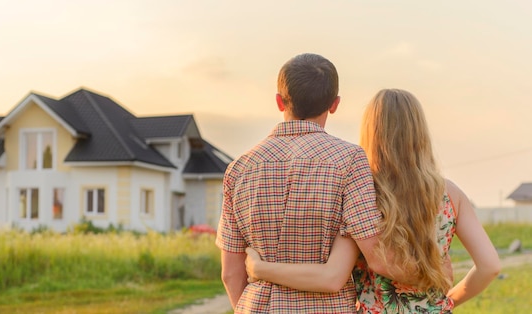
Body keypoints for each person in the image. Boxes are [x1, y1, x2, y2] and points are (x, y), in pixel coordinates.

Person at [244, 89, 501, 313]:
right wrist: (447, 302)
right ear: (420, 132)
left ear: (371, 131)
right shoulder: (451, 194)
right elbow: (489, 266)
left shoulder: (361, 191)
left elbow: (333, 273)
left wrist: (260, 268)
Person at [215, 54, 416, 313]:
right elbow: (376, 256)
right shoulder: (350, 160)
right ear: (334, 104)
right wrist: (430, 271)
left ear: (279, 101)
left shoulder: (239, 169)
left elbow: (230, 274)